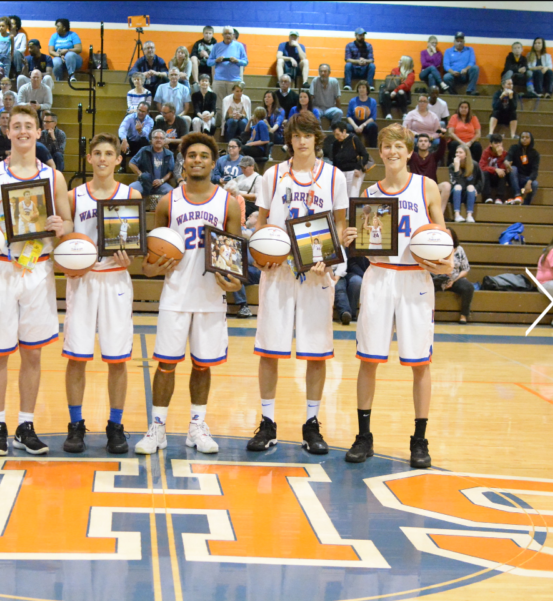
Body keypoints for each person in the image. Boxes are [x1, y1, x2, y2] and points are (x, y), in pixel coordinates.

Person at [343, 123, 452, 469]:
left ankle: (419, 440)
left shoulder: (427, 188)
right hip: (380, 277)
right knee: (369, 359)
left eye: (398, 147)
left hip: (415, 280)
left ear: (409, 151)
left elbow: (444, 242)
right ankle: (364, 436)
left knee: (420, 363)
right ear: (380, 151)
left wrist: (440, 261)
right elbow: (362, 240)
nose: (392, 152)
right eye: (386, 146)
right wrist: (350, 237)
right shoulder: (369, 192)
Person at [246, 111, 349, 453]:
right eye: (296, 135)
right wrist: (264, 252)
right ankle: (267, 422)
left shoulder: (334, 178)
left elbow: (338, 227)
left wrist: (330, 261)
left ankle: (311, 424)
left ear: (316, 138)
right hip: (278, 274)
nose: (302, 140)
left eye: (307, 134)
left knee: (316, 352)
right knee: (269, 350)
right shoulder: (272, 175)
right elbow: (261, 225)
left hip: (315, 275)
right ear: (289, 139)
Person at [0, 105, 73, 455]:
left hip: (39, 270)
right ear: (8, 132)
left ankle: (25, 424)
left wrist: (62, 228)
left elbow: (69, 228)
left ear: (39, 131)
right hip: (0, 268)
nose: (23, 132)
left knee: (32, 353)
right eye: (16, 126)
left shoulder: (54, 177)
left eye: (28, 126)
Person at [134, 132, 240, 454]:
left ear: (213, 161)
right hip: (176, 295)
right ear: (184, 160)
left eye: (203, 156)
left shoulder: (228, 204)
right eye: (191, 155)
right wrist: (150, 269)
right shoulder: (168, 202)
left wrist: (235, 283)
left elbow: (234, 257)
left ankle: (197, 426)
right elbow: (152, 258)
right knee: (166, 364)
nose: (197, 160)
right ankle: (158, 429)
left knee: (202, 365)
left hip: (210, 297)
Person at [61, 132, 141, 453]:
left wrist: (129, 256)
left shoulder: (131, 196)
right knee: (77, 357)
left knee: (117, 358)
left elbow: (134, 247)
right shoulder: (72, 196)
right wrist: (66, 260)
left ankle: (116, 426)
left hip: (115, 279)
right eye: (98, 153)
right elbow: (64, 241)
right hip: (82, 280)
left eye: (110, 153)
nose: (104, 158)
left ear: (119, 159)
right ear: (89, 158)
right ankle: (76, 424)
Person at [431, 228, 472, 324]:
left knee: (468, 287)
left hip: (455, 278)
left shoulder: (459, 249)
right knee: (427, 287)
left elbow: (466, 269)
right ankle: (429, 314)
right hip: (438, 277)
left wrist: (453, 280)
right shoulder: (433, 249)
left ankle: (464, 315)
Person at [208, 26, 248, 113]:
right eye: (225, 33)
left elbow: (245, 62)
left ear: (233, 35)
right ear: (222, 35)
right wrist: (216, 60)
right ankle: (219, 125)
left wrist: (237, 61)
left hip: (234, 81)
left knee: (233, 105)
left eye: (229, 33)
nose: (227, 35)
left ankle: (230, 124)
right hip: (219, 81)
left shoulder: (239, 46)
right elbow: (209, 62)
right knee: (218, 105)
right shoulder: (216, 46)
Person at [410, 133, 451, 211]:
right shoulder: (412, 156)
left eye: (425, 141)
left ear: (429, 144)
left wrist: (442, 137)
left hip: (431, 187)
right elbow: (405, 148)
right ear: (417, 144)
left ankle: (439, 213)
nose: (423, 143)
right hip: (416, 188)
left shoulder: (434, 157)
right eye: (421, 141)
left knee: (446, 186)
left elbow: (442, 149)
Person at [128, 129, 174, 197]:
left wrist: (161, 180)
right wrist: (140, 174)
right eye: (156, 138)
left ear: (164, 141)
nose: (158, 140)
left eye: (161, 138)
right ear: (152, 140)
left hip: (161, 184)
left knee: (171, 192)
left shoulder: (169, 154)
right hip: (143, 183)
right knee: (131, 189)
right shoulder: (144, 150)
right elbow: (131, 163)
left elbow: (171, 172)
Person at [332, 121, 369, 198]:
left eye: (338, 134)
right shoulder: (335, 143)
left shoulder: (354, 139)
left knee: (352, 196)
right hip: (342, 173)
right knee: (342, 197)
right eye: (335, 135)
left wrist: (358, 168)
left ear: (344, 131)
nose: (336, 137)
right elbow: (334, 160)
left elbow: (365, 155)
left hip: (354, 172)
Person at [449, 144, 482, 222]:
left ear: (466, 154)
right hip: (456, 193)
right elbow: (454, 183)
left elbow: (480, 180)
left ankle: (469, 216)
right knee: (458, 187)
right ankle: (457, 215)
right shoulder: (452, 166)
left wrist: (477, 189)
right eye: (457, 152)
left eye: (460, 152)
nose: (458, 154)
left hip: (469, 193)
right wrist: (456, 169)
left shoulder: (474, 165)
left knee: (470, 186)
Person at [506, 131, 540, 205]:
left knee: (535, 184)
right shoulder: (514, 148)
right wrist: (506, 162)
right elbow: (508, 157)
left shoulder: (535, 154)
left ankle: (526, 203)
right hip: (515, 176)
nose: (524, 139)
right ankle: (517, 195)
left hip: (526, 178)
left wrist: (529, 181)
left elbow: (535, 170)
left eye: (527, 137)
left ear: (531, 139)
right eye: (522, 137)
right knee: (513, 168)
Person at [335, 255, 369, 324]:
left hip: (355, 274)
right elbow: (351, 263)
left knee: (357, 282)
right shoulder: (350, 247)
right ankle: (345, 313)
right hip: (346, 273)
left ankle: (351, 315)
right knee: (340, 288)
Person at [447, 100, 482, 164]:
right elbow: (451, 133)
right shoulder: (454, 117)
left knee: (477, 146)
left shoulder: (474, 118)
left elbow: (478, 134)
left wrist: (470, 142)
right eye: (462, 107)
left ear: (468, 109)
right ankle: (453, 165)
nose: (463, 109)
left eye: (465, 107)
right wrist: (462, 143)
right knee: (454, 144)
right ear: (459, 108)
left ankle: (474, 165)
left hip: (470, 142)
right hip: (457, 141)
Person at [480, 133, 511, 205]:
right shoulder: (486, 152)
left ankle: (499, 198)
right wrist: (495, 169)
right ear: (491, 144)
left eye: (500, 143)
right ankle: (487, 197)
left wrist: (500, 156)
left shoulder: (504, 153)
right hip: (489, 177)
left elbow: (504, 168)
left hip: (498, 178)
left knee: (503, 173)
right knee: (484, 173)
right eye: (496, 143)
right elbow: (482, 167)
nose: (498, 145)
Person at [347, 81, 378, 147]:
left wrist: (363, 125)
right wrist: (355, 126)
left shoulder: (372, 101)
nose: (361, 89)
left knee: (373, 126)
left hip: (366, 124)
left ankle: (372, 147)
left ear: (367, 90)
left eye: (363, 87)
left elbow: (373, 117)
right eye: (360, 88)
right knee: (347, 127)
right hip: (355, 123)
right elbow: (349, 116)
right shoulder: (352, 101)